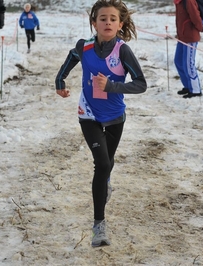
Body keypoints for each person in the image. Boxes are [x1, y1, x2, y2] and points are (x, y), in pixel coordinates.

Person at [55, 0, 147, 247]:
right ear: (94, 22)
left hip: (115, 115)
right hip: (89, 114)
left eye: (113, 19)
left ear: (121, 24)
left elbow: (141, 83)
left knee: (107, 163)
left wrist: (112, 86)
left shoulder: (123, 51)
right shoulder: (83, 47)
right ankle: (99, 226)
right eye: (102, 18)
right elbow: (70, 59)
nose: (107, 22)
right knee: (102, 163)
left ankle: (105, 182)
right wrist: (60, 82)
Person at [174, 0, 203, 98]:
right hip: (182, 37)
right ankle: (188, 85)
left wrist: (199, 28)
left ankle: (195, 90)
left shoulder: (189, 1)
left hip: (190, 37)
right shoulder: (178, 2)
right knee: (178, 61)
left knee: (188, 64)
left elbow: (195, 16)